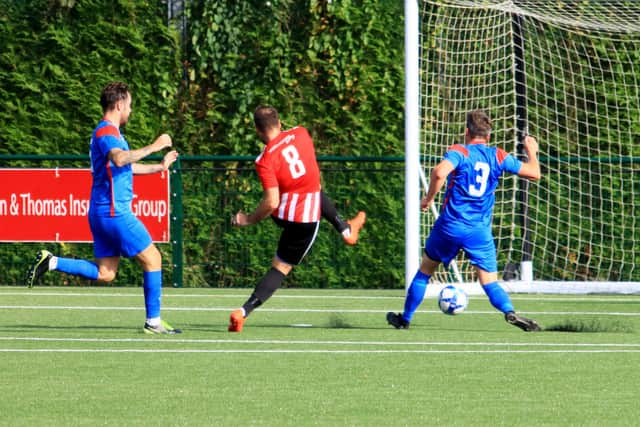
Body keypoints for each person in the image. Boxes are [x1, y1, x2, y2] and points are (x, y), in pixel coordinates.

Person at [25, 81, 181, 335]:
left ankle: (52, 262)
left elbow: (124, 167)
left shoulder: (111, 135)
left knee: (105, 273)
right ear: (119, 105)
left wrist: (159, 167)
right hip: (114, 212)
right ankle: (153, 322)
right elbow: (120, 158)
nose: (130, 111)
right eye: (129, 106)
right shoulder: (106, 132)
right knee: (154, 258)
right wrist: (155, 146)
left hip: (101, 212)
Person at [387, 109, 542, 331]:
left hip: (450, 226)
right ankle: (509, 312)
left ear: (466, 132)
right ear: (488, 136)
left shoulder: (460, 151)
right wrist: (531, 151)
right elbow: (534, 173)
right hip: (478, 230)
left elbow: (440, 172)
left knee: (425, 271)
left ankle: (405, 319)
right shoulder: (497, 155)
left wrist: (428, 199)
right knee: (489, 282)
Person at [228, 105, 365, 332]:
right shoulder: (301, 133)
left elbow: (272, 202)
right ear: (280, 123)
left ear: (257, 131)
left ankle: (345, 228)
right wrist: (249, 220)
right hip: (304, 219)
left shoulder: (263, 159)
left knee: (309, 189)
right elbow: (277, 194)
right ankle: (345, 229)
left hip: (283, 215)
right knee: (281, 268)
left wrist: (247, 218)